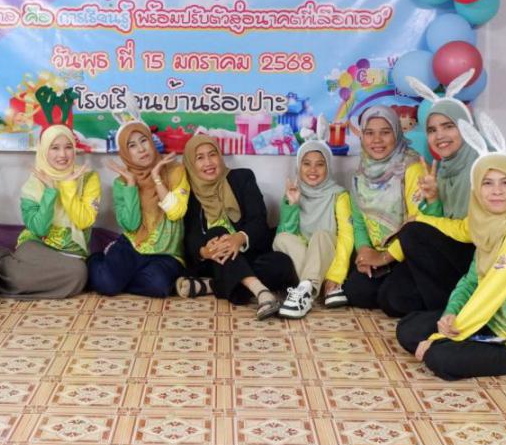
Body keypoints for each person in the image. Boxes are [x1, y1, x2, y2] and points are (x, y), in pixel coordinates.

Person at [396, 115, 506, 380]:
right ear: (476, 189)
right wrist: (451, 313)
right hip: (494, 320)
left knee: (440, 357)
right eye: (487, 183)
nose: (497, 191)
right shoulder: (489, 224)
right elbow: (472, 279)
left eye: (505, 182)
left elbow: (490, 291)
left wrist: (440, 336)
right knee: (408, 328)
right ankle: (459, 337)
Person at [378, 72, 479, 316]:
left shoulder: (480, 167)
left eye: (448, 126)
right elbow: (440, 226)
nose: (439, 136)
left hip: (478, 258)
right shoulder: (444, 167)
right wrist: (433, 199)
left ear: (466, 128)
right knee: (391, 299)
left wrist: (422, 220)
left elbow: (472, 231)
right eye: (432, 130)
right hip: (451, 251)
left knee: (413, 231)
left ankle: (452, 311)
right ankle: (445, 300)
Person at [177, 134, 296, 319]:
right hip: (213, 261)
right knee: (218, 232)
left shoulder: (242, 178)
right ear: (191, 163)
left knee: (282, 264)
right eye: (200, 158)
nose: (208, 162)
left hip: (246, 254)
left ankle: (212, 285)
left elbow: (258, 219)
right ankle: (262, 293)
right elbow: (190, 236)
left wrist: (240, 238)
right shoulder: (187, 192)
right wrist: (204, 251)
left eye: (212, 154)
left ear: (220, 156)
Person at [0, 125, 99, 299]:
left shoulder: (88, 178)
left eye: (68, 147)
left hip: (72, 253)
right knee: (74, 274)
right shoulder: (34, 184)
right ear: (44, 151)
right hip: (36, 246)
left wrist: (68, 186)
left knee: (78, 275)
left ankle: (8, 277)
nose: (62, 154)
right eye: (55, 148)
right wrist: (50, 192)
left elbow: (84, 221)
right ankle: (3, 264)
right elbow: (39, 229)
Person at [342, 105, 430, 316]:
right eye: (369, 133)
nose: (377, 140)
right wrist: (364, 251)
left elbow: (419, 225)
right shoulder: (361, 173)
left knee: (395, 301)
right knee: (356, 292)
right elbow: (359, 221)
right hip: (377, 252)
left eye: (385, 132)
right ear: (362, 136)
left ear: (397, 133)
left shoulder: (412, 167)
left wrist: (384, 258)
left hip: (408, 254)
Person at [88, 122, 188, 298]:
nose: (141, 149)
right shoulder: (121, 183)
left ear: (151, 141)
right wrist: (131, 185)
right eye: (132, 145)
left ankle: (120, 277)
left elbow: (175, 213)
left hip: (167, 253)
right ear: (126, 153)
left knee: (158, 286)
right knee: (107, 285)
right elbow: (131, 225)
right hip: (132, 246)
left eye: (144, 140)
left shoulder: (175, 171)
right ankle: (96, 260)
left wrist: (157, 178)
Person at [273, 135, 354, 318]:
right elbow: (287, 235)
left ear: (328, 167)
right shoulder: (294, 192)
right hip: (307, 257)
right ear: (299, 167)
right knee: (281, 238)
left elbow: (347, 238)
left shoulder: (339, 195)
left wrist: (336, 275)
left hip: (329, 255)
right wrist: (292, 205)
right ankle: (312, 287)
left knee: (320, 236)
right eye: (306, 163)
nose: (312, 170)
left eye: (320, 164)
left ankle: (304, 291)